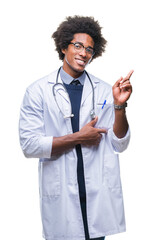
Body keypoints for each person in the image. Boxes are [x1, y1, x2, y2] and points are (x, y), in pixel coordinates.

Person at [19, 16, 133, 240]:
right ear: (63, 47)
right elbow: (29, 145)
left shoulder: (103, 90)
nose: (84, 53)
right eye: (78, 46)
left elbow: (119, 143)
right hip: (62, 198)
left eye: (89, 49)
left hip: (96, 195)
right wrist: (78, 137)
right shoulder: (37, 91)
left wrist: (119, 104)